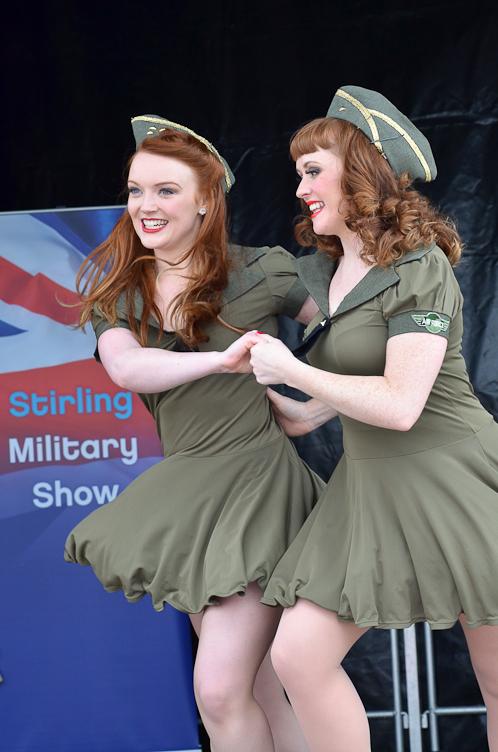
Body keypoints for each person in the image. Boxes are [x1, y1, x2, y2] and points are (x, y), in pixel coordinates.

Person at [238, 86, 498, 752]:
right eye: (298, 173)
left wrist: (292, 371)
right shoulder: (321, 277)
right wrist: (263, 392)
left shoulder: (421, 267)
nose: (299, 187)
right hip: (368, 487)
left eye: (312, 170)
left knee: (497, 678)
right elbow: (323, 405)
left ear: (362, 173)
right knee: (298, 658)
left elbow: (402, 403)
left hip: (456, 480)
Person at [64, 114, 325, 752]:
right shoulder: (121, 291)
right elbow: (127, 368)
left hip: (258, 485)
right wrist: (221, 360)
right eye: (135, 190)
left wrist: (312, 405)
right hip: (192, 499)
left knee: (218, 689)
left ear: (207, 200)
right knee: (254, 687)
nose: (145, 207)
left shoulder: (263, 270)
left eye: (165, 190)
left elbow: (359, 338)